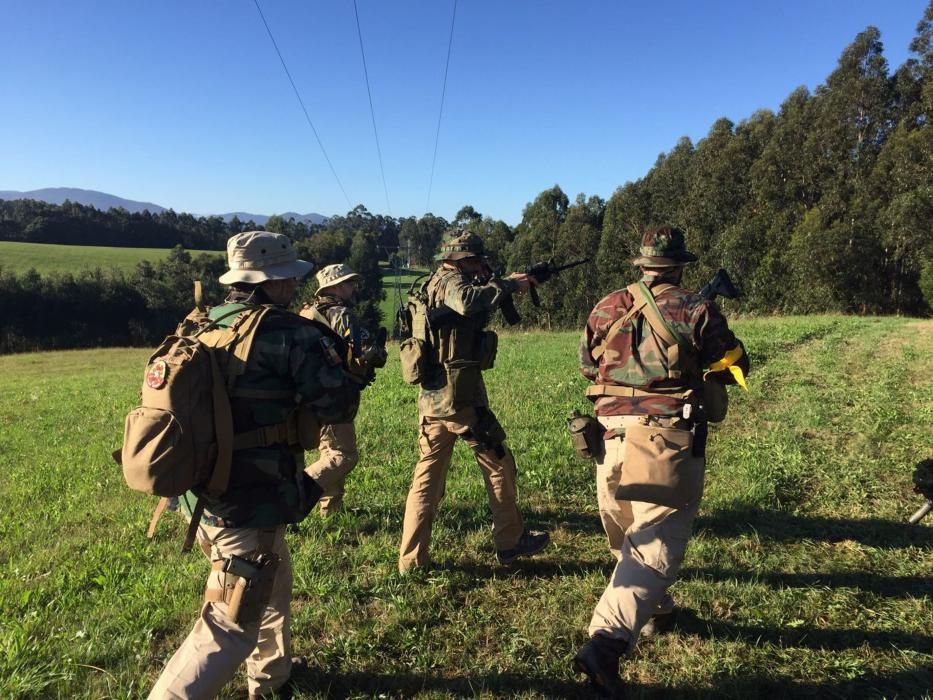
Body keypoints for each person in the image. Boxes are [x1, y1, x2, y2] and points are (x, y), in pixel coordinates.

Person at [148, 231, 359, 700]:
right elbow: (339, 403)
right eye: (290, 278)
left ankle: (271, 679)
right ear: (276, 281)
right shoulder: (288, 333)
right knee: (228, 624)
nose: (294, 287)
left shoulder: (202, 323)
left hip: (197, 493)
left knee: (272, 576)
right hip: (247, 501)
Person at [573, 226, 750, 697]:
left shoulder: (606, 306)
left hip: (609, 439)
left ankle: (658, 610)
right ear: (679, 264)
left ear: (643, 264)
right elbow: (735, 364)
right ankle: (605, 645)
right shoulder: (697, 309)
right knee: (653, 549)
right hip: (664, 444)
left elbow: (589, 366)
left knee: (625, 530)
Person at [397, 229, 550, 573]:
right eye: (477, 259)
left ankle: (411, 560)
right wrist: (511, 285)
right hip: (459, 396)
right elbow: (467, 301)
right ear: (462, 258)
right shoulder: (452, 282)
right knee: (498, 461)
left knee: (427, 479)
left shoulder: (431, 282)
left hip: (433, 396)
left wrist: (506, 282)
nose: (481, 264)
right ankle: (510, 544)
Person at [300, 263, 387, 516]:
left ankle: (331, 509)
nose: (354, 287)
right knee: (344, 455)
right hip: (334, 395)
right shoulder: (341, 314)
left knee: (329, 449)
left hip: (310, 393)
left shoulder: (307, 313)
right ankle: (294, 492)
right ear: (335, 287)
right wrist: (379, 352)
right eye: (349, 283)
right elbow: (364, 353)